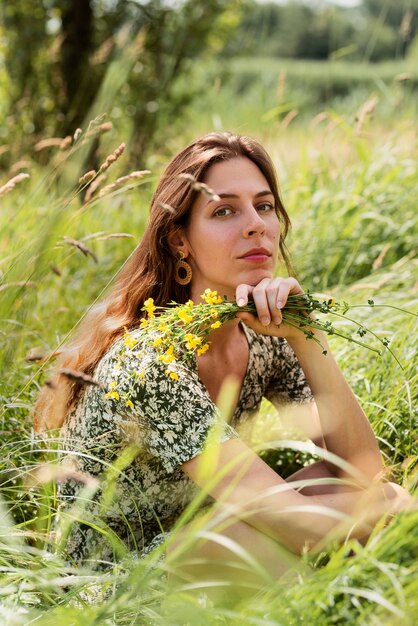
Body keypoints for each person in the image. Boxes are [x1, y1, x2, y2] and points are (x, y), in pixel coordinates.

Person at [33, 132, 409, 587]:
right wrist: (395, 516)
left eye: (264, 206)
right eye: (224, 211)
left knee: (356, 489)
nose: (256, 225)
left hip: (209, 531)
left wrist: (307, 337)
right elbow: (300, 524)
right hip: (114, 586)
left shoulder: (265, 337)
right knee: (355, 522)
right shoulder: (151, 362)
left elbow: (363, 470)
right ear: (179, 241)